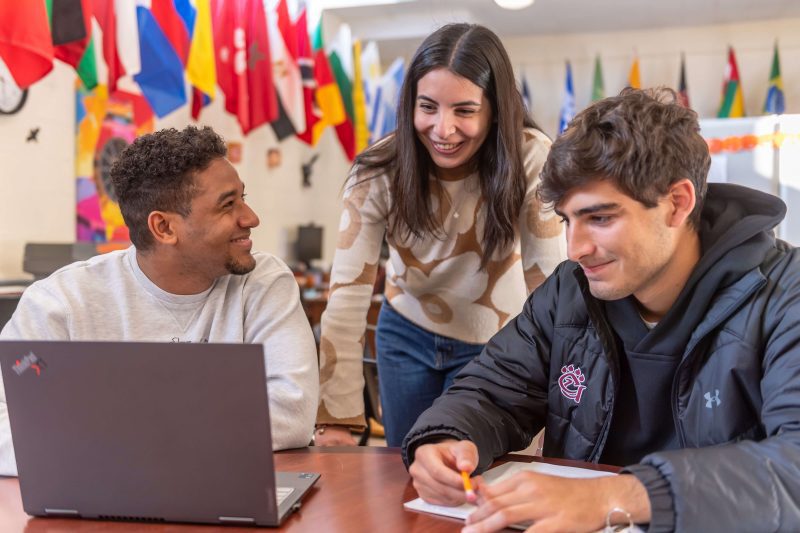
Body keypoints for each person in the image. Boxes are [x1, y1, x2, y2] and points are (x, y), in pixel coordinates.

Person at [403, 87, 800, 532]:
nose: (575, 250)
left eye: (601, 218)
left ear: (677, 203)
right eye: (568, 220)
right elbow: (492, 392)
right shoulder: (570, 291)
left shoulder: (788, 294)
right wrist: (447, 437)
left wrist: (615, 496)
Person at [0, 126, 318, 476]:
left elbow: (292, 411)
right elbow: (6, 416)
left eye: (243, 197)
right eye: (228, 205)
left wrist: (104, 438)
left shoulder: (264, 282)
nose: (251, 218)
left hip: (223, 490)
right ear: (164, 228)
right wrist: (142, 449)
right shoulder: (60, 302)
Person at [314, 23, 565, 447]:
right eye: (427, 107)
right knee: (407, 469)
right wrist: (338, 419)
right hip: (405, 335)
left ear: (495, 110)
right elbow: (346, 299)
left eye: (464, 111)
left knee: (483, 471)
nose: (442, 129)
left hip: (496, 342)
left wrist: (555, 397)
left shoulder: (531, 157)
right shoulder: (377, 169)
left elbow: (551, 285)